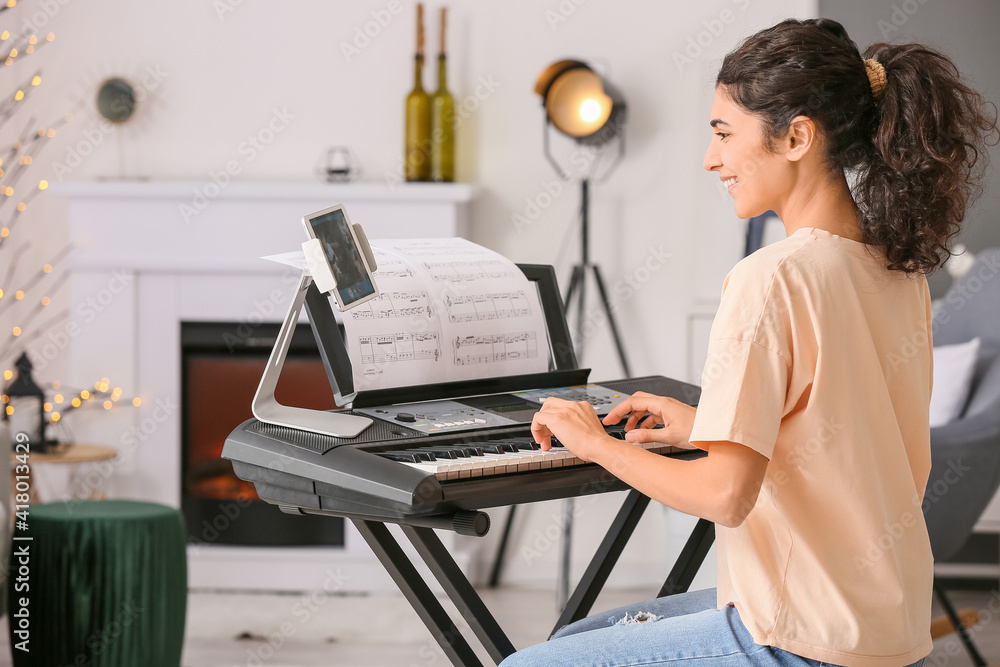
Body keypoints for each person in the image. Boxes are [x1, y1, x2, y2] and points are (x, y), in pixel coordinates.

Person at [502, 18, 998, 667]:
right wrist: (702, 424)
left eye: (723, 133)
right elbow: (847, 434)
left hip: (801, 639)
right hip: (887, 626)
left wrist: (593, 441)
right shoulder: (896, 270)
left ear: (795, 136)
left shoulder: (772, 277)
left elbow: (724, 496)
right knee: (574, 644)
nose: (712, 159)